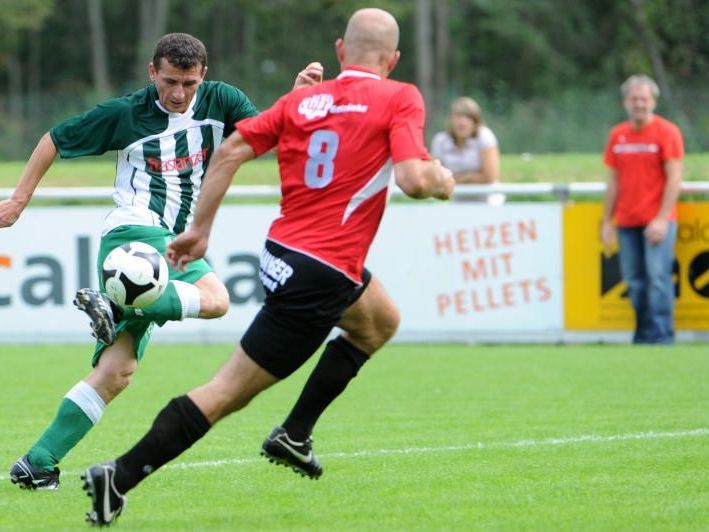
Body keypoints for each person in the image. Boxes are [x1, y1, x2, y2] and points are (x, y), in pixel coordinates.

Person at [80, 7, 454, 526]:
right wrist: (443, 180)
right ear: (393, 59)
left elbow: (231, 151)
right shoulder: (400, 96)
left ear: (341, 52)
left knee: (380, 320)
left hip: (285, 255)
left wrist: (200, 229)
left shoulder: (302, 100)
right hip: (320, 273)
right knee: (223, 395)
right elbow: (414, 181)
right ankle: (117, 477)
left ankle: (295, 434)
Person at [1, 32, 323, 490]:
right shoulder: (126, 113)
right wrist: (18, 200)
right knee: (216, 299)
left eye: (188, 83)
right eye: (169, 81)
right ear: (152, 72)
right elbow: (55, 138)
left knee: (117, 371)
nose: (178, 93)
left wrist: (295, 99)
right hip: (135, 234)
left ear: (202, 77)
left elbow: (265, 140)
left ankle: (38, 463)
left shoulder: (222, 100)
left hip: (161, 249)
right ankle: (119, 305)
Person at [600, 74, 684, 344]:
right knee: (634, 282)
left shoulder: (667, 132)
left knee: (658, 279)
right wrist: (606, 220)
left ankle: (662, 336)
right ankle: (643, 334)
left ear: (653, 102)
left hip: (657, 221)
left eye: (644, 99)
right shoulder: (618, 135)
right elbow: (613, 180)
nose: (639, 104)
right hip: (627, 220)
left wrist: (661, 218)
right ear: (625, 102)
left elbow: (674, 178)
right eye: (634, 99)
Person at [430, 96, 502, 204]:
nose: (462, 121)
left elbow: (489, 177)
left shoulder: (485, 136)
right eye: (458, 116)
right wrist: (472, 176)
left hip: (488, 202)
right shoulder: (440, 141)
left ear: (475, 121)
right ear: (451, 119)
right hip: (457, 203)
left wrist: (454, 179)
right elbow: (437, 179)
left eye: (467, 117)